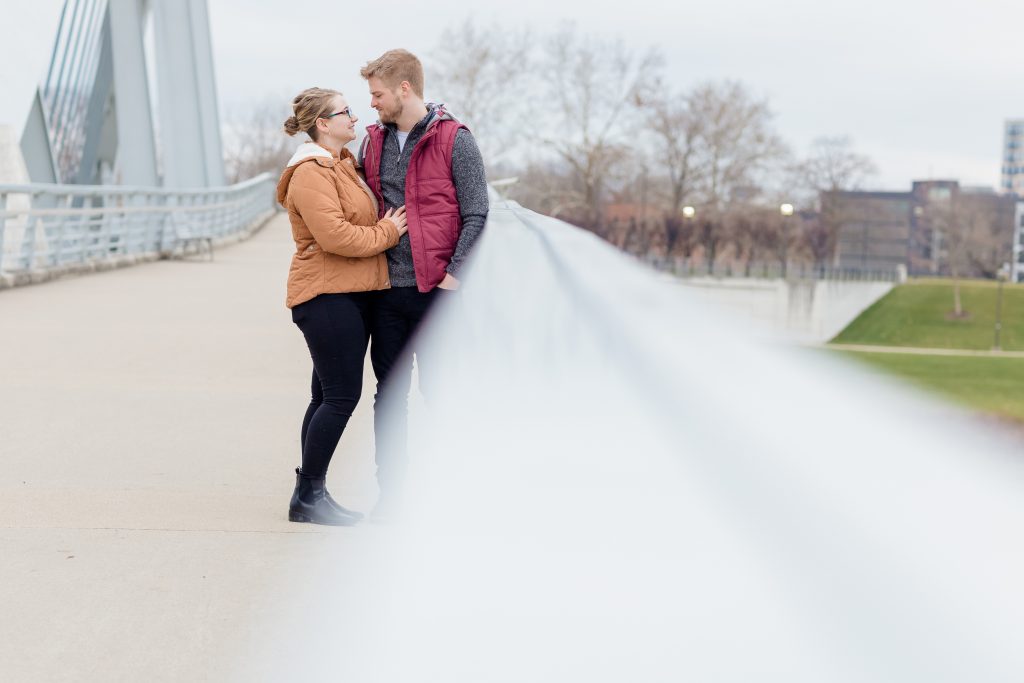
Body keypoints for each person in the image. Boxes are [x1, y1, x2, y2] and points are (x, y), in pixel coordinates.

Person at [358, 50, 489, 517]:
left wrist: (454, 277)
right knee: (389, 397)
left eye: (377, 94)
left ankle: (454, 490)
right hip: (386, 293)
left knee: (442, 393)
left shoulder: (456, 139)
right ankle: (391, 495)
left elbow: (477, 211)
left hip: (438, 294)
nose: (371, 104)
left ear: (404, 89)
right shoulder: (371, 143)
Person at [278, 87, 408, 526]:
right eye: (345, 112)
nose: (354, 117)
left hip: (344, 293)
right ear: (322, 123)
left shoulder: (342, 166)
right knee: (339, 397)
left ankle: (309, 493)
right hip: (325, 296)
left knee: (324, 397)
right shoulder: (310, 173)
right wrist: (389, 232)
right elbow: (335, 236)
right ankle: (308, 495)